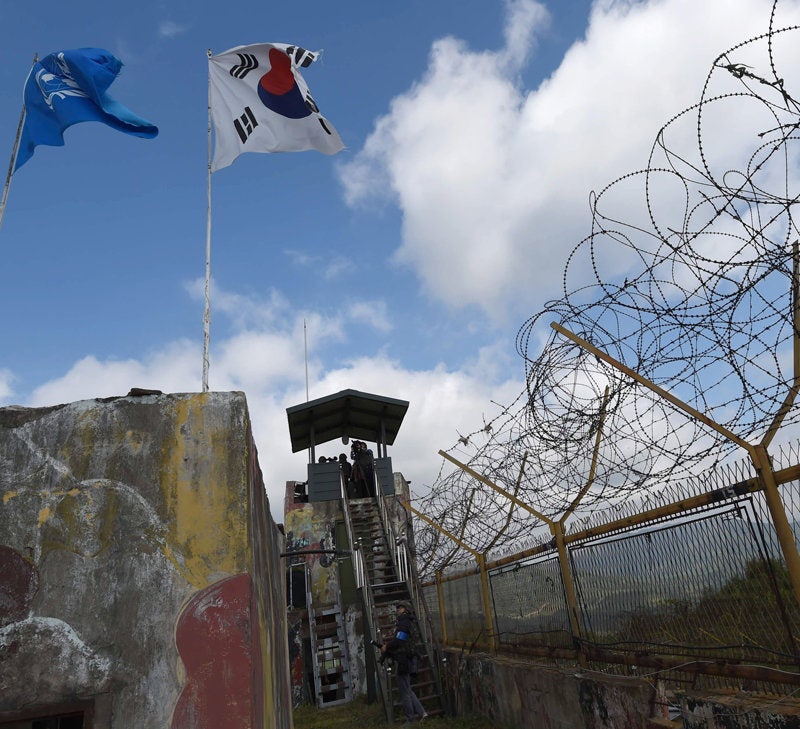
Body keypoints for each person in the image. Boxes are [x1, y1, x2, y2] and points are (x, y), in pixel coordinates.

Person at [381, 603, 427, 725]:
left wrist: (387, 646)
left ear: (405, 609)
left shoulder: (404, 622)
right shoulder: (407, 621)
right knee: (407, 688)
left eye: (399, 608)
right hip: (407, 657)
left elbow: (399, 640)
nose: (397, 610)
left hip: (404, 659)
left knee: (405, 691)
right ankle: (422, 713)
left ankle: (410, 719)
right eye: (397, 608)